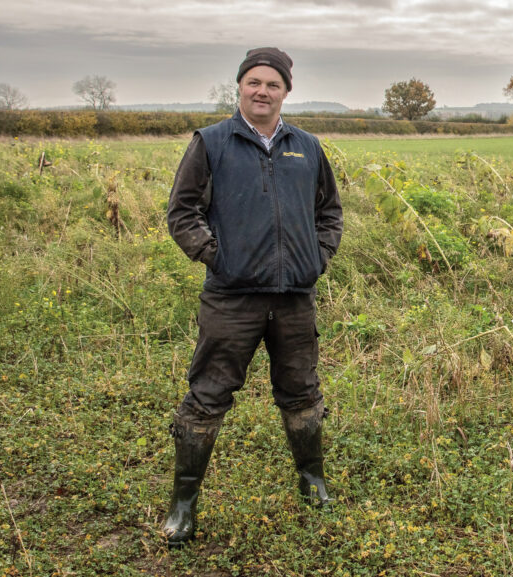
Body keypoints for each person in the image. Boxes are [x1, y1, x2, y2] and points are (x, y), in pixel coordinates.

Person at [163, 47, 343, 547]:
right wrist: (219, 258)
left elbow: (330, 214)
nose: (262, 91)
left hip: (294, 298)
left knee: (302, 391)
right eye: (253, 82)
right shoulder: (212, 142)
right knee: (207, 396)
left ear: (286, 91)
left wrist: (317, 258)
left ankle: (313, 482)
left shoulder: (307, 146)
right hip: (231, 299)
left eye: (273, 84)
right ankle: (184, 503)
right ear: (239, 87)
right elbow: (181, 213)